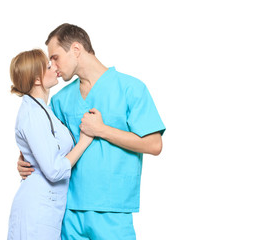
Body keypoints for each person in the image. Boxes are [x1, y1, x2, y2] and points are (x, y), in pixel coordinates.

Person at [18, 24, 166, 240]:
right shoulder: (60, 100)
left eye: (56, 57)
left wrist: (102, 130)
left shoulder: (131, 89)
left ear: (76, 49)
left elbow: (154, 144)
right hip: (68, 210)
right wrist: (24, 160)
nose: (52, 66)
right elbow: (44, 141)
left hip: (113, 210)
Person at [7, 49, 93, 240]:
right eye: (48, 66)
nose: (55, 67)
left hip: (47, 208)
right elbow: (54, 170)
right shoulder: (32, 114)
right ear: (37, 79)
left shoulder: (44, 109)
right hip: (36, 210)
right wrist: (85, 141)